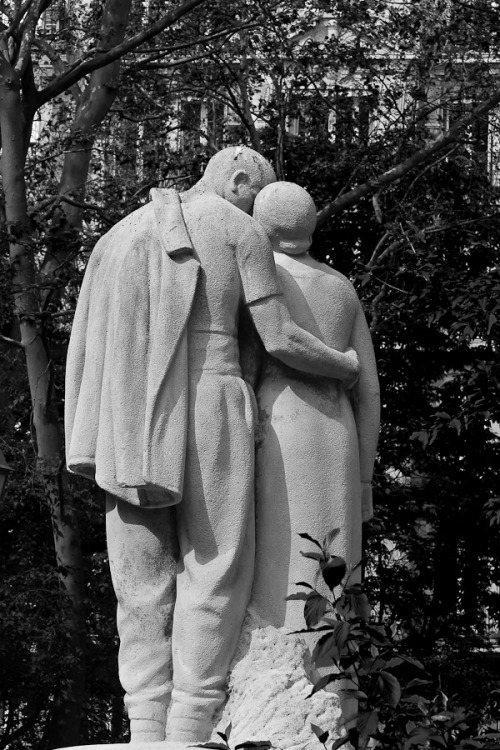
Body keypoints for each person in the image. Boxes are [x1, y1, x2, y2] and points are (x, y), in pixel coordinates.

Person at [65, 148, 360, 743]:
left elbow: (79, 352)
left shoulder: (114, 237)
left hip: (122, 411)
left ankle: (144, 722)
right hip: (209, 400)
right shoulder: (235, 227)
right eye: (257, 194)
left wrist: (87, 430)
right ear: (241, 178)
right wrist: (343, 364)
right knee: (216, 563)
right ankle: (192, 722)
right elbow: (276, 336)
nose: (259, 208)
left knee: (139, 578)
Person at [250, 181, 380, 630]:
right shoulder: (340, 287)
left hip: (282, 423)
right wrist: (365, 478)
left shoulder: (262, 277)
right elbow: (370, 391)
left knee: (279, 558)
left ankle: (281, 669)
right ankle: (336, 681)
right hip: (338, 429)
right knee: (336, 562)